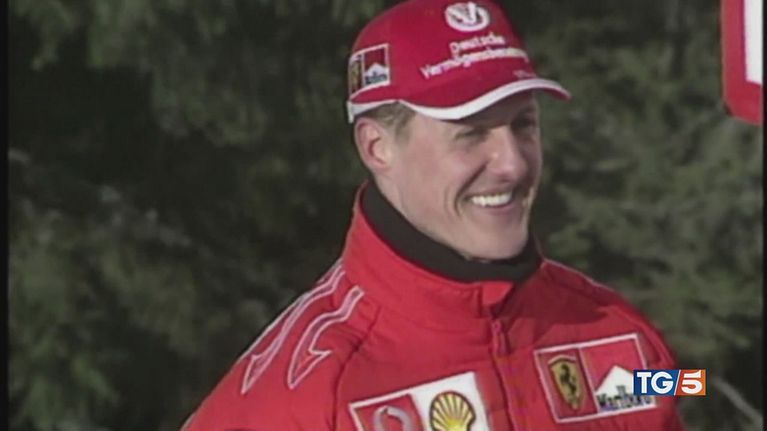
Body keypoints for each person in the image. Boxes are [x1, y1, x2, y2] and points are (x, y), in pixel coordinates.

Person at [182, 0, 685, 430]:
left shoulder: (617, 334)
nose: (512, 163)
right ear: (378, 147)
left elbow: (683, 384)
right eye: (471, 133)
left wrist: (699, 381)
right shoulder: (304, 394)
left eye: (523, 124)